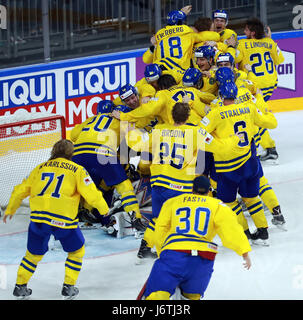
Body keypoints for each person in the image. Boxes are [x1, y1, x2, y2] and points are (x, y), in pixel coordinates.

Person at [128, 102, 240, 260]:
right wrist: (234, 140)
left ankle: (145, 247)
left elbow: (136, 144)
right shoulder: (195, 132)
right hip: (180, 187)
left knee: (158, 220)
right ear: (188, 116)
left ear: (171, 115)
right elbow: (219, 148)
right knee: (182, 221)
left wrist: (129, 130)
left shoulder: (158, 130)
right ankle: (181, 251)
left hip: (159, 185)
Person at [3, 139, 109, 299]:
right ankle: (68, 287)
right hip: (63, 220)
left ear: (53, 151)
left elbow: (20, 190)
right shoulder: (77, 169)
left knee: (32, 254)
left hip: (39, 219)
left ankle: (20, 286)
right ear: (71, 153)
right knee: (76, 251)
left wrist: (11, 208)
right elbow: (92, 194)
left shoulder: (39, 168)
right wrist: (104, 210)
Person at [139, 175, 251, 300]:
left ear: (192, 188)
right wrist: (244, 252)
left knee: (157, 295)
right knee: (192, 297)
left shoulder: (173, 202)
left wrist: (162, 252)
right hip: (204, 258)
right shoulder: (218, 205)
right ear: (209, 191)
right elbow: (231, 230)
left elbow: (160, 228)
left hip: (175, 254)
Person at [199, 80, 278, 244]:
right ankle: (263, 230)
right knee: (252, 197)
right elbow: (271, 123)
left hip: (228, 168)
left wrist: (215, 145)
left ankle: (244, 232)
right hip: (249, 163)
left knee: (228, 201)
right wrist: (266, 111)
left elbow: (199, 133)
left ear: (221, 96)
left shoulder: (215, 113)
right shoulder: (249, 108)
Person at [71, 99, 141, 220]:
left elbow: (73, 135)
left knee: (83, 184)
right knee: (124, 185)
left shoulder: (91, 119)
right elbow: (133, 143)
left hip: (77, 153)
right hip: (102, 153)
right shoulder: (123, 120)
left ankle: (83, 209)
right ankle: (135, 217)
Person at [236, 17, 285, 161]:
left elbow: (236, 59)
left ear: (251, 32)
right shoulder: (269, 42)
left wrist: (232, 46)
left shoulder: (243, 44)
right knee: (256, 115)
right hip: (270, 84)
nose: (243, 31)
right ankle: (268, 147)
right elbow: (280, 59)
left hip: (255, 86)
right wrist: (270, 40)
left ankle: (268, 148)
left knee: (255, 117)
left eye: (245, 29)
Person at [112, 74, 207, 126]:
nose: (132, 101)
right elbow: (210, 98)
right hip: (199, 124)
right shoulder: (189, 89)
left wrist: (124, 116)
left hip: (181, 128)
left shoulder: (161, 94)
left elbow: (148, 109)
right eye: (128, 100)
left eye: (132, 98)